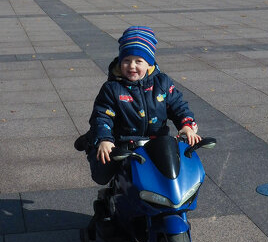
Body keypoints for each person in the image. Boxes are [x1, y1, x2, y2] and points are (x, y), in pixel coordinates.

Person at [79, 26, 201, 185]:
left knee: (172, 177)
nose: (131, 66)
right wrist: (105, 139)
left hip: (158, 141)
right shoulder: (112, 88)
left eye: (138, 61)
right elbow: (102, 115)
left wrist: (186, 125)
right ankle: (93, 143)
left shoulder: (162, 83)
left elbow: (178, 105)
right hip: (124, 142)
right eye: (126, 60)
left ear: (149, 64)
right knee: (102, 173)